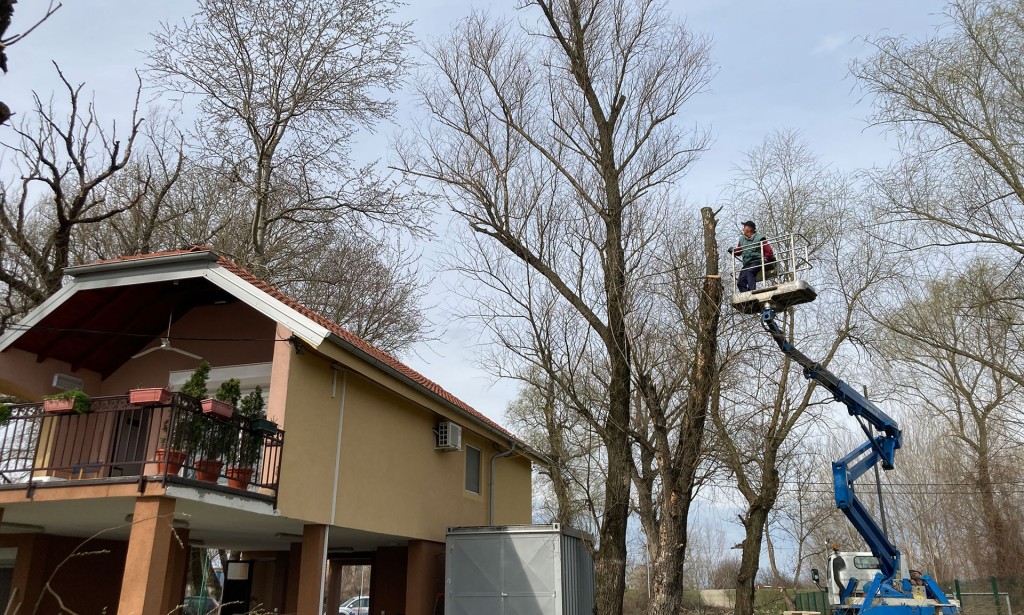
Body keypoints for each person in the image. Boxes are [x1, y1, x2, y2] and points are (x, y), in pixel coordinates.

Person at [729, 220, 768, 292]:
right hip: (747, 263)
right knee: (741, 281)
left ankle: (752, 292)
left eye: (744, 227)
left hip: (757, 261)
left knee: (750, 272)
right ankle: (745, 295)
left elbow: (768, 250)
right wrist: (733, 251)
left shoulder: (759, 238)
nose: (743, 229)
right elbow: (739, 251)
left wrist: (769, 259)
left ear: (749, 228)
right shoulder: (742, 239)